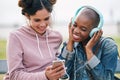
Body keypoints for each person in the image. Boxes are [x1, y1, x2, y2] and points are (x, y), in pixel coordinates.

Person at [4, 0, 65, 80]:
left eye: (46, 18)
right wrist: (45, 76)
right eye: (37, 20)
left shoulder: (56, 37)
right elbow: (14, 75)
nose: (43, 24)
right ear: (27, 16)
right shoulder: (16, 37)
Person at [58, 6, 118, 80]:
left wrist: (89, 51)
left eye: (83, 29)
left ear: (94, 31)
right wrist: (70, 41)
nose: (76, 31)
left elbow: (105, 78)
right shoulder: (71, 45)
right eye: (75, 25)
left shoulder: (108, 46)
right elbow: (62, 75)